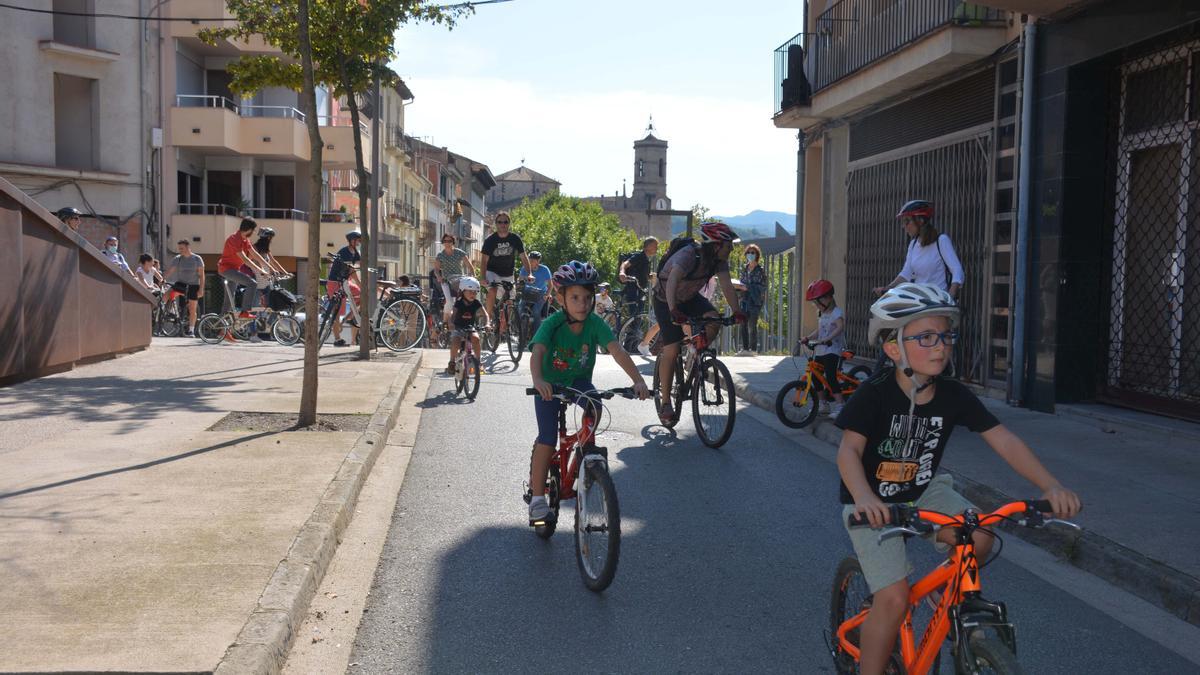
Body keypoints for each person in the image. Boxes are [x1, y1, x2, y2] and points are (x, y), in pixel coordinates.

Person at [835, 283, 1081, 675]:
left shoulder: (953, 394)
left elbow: (1004, 440)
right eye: (926, 337)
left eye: (946, 336)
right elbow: (848, 451)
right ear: (894, 348)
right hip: (873, 504)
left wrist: (1049, 485)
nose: (941, 346)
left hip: (925, 491)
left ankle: (942, 600)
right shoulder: (875, 393)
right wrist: (865, 497)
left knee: (981, 534)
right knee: (894, 598)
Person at [527, 261, 649, 523]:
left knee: (594, 403)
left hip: (579, 381)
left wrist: (638, 380)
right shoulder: (553, 323)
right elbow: (537, 352)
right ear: (561, 298)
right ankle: (537, 499)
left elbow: (617, 351)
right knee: (547, 439)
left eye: (587, 297)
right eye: (574, 298)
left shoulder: (594, 323)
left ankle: (587, 452)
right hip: (550, 385)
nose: (582, 303)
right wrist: (538, 380)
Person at [651, 221, 746, 425]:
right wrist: (673, 310)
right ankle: (666, 402)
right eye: (728, 245)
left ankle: (694, 351)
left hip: (690, 297)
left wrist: (737, 312)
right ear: (716, 244)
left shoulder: (718, 261)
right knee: (672, 348)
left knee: (714, 320)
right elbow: (673, 282)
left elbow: (727, 287)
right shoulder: (688, 255)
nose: (732, 249)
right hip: (665, 299)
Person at [872, 200, 964, 300]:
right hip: (918, 302)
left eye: (907, 221)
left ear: (920, 220)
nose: (904, 226)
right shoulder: (913, 245)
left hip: (937, 303)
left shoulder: (941, 241)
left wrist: (949, 298)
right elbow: (906, 273)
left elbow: (957, 271)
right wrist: (887, 289)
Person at [217, 218, 270, 342]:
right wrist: (261, 270)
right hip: (227, 270)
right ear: (249, 229)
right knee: (252, 283)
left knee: (228, 302)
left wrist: (269, 268)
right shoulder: (234, 240)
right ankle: (244, 311)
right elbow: (246, 259)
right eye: (253, 230)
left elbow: (255, 255)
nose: (253, 232)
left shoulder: (245, 240)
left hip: (234, 270)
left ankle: (222, 332)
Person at [480, 211, 532, 328]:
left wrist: (530, 274)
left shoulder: (515, 239)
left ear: (509, 223)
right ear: (496, 224)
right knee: (492, 290)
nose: (503, 224)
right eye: (500, 222)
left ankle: (505, 326)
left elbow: (524, 257)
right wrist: (483, 278)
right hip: (492, 271)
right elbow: (484, 261)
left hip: (508, 273)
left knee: (510, 302)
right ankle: (488, 319)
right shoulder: (490, 240)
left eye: (505, 222)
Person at [803, 279, 847, 416]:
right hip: (821, 350)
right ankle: (823, 404)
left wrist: (828, 339)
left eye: (817, 302)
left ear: (828, 298)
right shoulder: (822, 314)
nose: (816, 305)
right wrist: (808, 338)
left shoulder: (836, 313)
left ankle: (841, 406)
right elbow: (819, 331)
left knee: (830, 376)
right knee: (815, 376)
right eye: (815, 303)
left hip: (833, 350)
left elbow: (840, 327)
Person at [327, 230, 363, 348]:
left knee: (362, 297)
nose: (359, 242)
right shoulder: (344, 252)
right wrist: (360, 284)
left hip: (345, 282)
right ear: (352, 240)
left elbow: (361, 265)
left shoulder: (355, 252)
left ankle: (346, 319)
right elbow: (351, 271)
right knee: (336, 312)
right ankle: (337, 339)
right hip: (335, 282)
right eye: (357, 240)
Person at [164, 239, 205, 337]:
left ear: (187, 247)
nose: (180, 250)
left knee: (192, 309)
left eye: (181, 248)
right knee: (166, 295)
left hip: (193, 285)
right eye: (179, 249)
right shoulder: (178, 258)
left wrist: (201, 289)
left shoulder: (197, 259)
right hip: (181, 284)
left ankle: (191, 330)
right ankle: (169, 311)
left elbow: (202, 275)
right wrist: (162, 279)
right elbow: (170, 271)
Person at [446, 276, 487, 375]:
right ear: (463, 291)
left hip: (470, 327)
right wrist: (451, 323)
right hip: (458, 327)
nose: (473, 294)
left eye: (475, 292)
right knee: (456, 341)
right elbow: (453, 314)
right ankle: (452, 362)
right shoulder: (459, 302)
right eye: (470, 291)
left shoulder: (476, 303)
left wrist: (488, 323)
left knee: (476, 339)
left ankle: (478, 361)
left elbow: (485, 315)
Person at [434, 234, 475, 324]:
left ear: (453, 242)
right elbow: (436, 270)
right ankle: (445, 321)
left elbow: (470, 266)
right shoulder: (440, 255)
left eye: (449, 241)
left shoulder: (460, 252)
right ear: (443, 243)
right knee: (449, 302)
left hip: (460, 281)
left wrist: (473, 277)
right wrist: (439, 277)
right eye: (445, 241)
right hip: (446, 281)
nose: (447, 243)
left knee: (462, 302)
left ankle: (462, 321)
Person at [736, 243, 767, 356]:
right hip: (744, 300)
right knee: (742, 323)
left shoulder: (760, 270)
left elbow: (763, 287)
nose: (750, 254)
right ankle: (744, 348)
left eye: (752, 252)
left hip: (755, 301)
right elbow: (742, 282)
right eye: (748, 252)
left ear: (757, 255)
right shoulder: (744, 268)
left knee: (752, 325)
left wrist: (748, 287)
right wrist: (739, 287)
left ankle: (753, 350)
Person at [618, 236, 658, 315]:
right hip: (633, 290)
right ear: (649, 246)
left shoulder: (646, 259)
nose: (657, 248)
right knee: (635, 316)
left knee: (639, 316)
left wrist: (652, 276)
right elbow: (625, 264)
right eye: (655, 246)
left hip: (641, 291)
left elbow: (643, 275)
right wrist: (622, 272)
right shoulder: (639, 256)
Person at [517, 250, 553, 334]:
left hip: (540, 294)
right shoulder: (524, 268)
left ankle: (536, 335)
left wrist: (546, 295)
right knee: (520, 308)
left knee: (536, 312)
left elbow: (550, 285)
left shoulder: (544, 269)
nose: (530, 262)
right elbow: (520, 280)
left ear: (538, 261)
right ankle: (520, 333)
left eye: (532, 261)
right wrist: (526, 279)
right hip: (527, 292)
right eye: (529, 260)